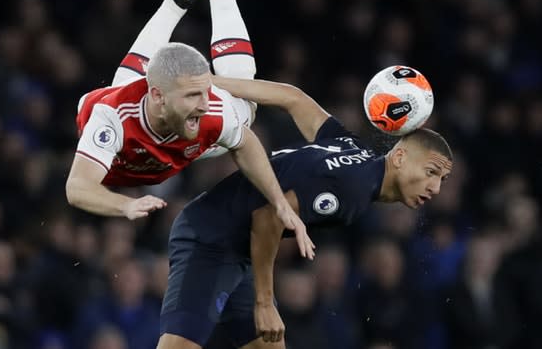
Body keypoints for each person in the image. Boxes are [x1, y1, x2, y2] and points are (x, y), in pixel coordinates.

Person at [157, 76, 453, 349]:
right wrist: (264, 303)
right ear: (399, 156)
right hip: (211, 236)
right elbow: (267, 217)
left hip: (240, 247)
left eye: (442, 179)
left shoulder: (352, 148)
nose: (436, 188)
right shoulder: (354, 188)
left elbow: (294, 98)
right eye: (431, 172)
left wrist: (211, 82)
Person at [64, 0, 313, 258]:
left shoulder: (208, 110)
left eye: (205, 92)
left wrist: (279, 203)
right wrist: (126, 205)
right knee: (129, 89)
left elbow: (245, 142)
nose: (205, 103)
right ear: (158, 96)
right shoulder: (110, 120)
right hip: (116, 128)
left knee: (242, 111)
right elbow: (77, 188)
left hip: (163, 137)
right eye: (193, 95)